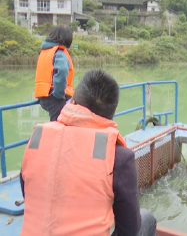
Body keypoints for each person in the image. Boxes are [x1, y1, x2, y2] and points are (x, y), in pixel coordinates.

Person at [21, 70, 157, 236]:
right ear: (112, 113)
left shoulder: (37, 138)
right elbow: (129, 229)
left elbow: (28, 195)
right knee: (147, 218)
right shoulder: (119, 156)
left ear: (73, 99)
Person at [34, 25, 75, 121]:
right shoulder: (59, 52)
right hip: (54, 97)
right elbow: (62, 72)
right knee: (58, 128)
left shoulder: (45, 51)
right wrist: (59, 94)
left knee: (55, 126)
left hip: (43, 96)